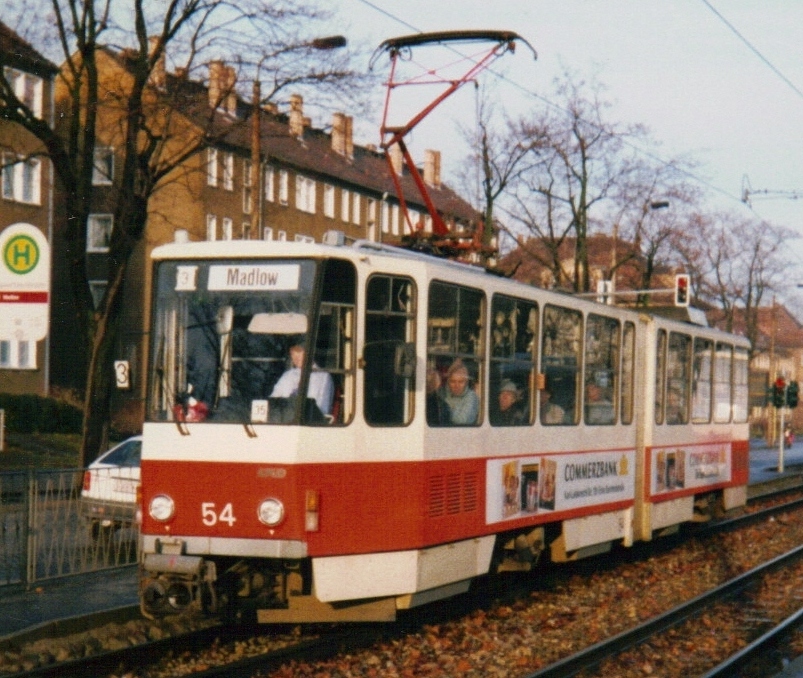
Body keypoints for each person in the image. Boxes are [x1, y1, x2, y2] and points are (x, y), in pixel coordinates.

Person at [270, 343, 334, 416]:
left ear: (309, 353)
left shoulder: (323, 377)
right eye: (292, 354)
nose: (295, 358)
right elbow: (273, 401)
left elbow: (322, 409)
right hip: (284, 420)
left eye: (299, 352)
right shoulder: (287, 375)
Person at [441, 360, 479, 425]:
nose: (457, 385)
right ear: (448, 382)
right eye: (453, 381)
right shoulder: (442, 393)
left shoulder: (472, 397)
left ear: (466, 382)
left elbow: (463, 420)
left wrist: (444, 411)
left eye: (461, 382)